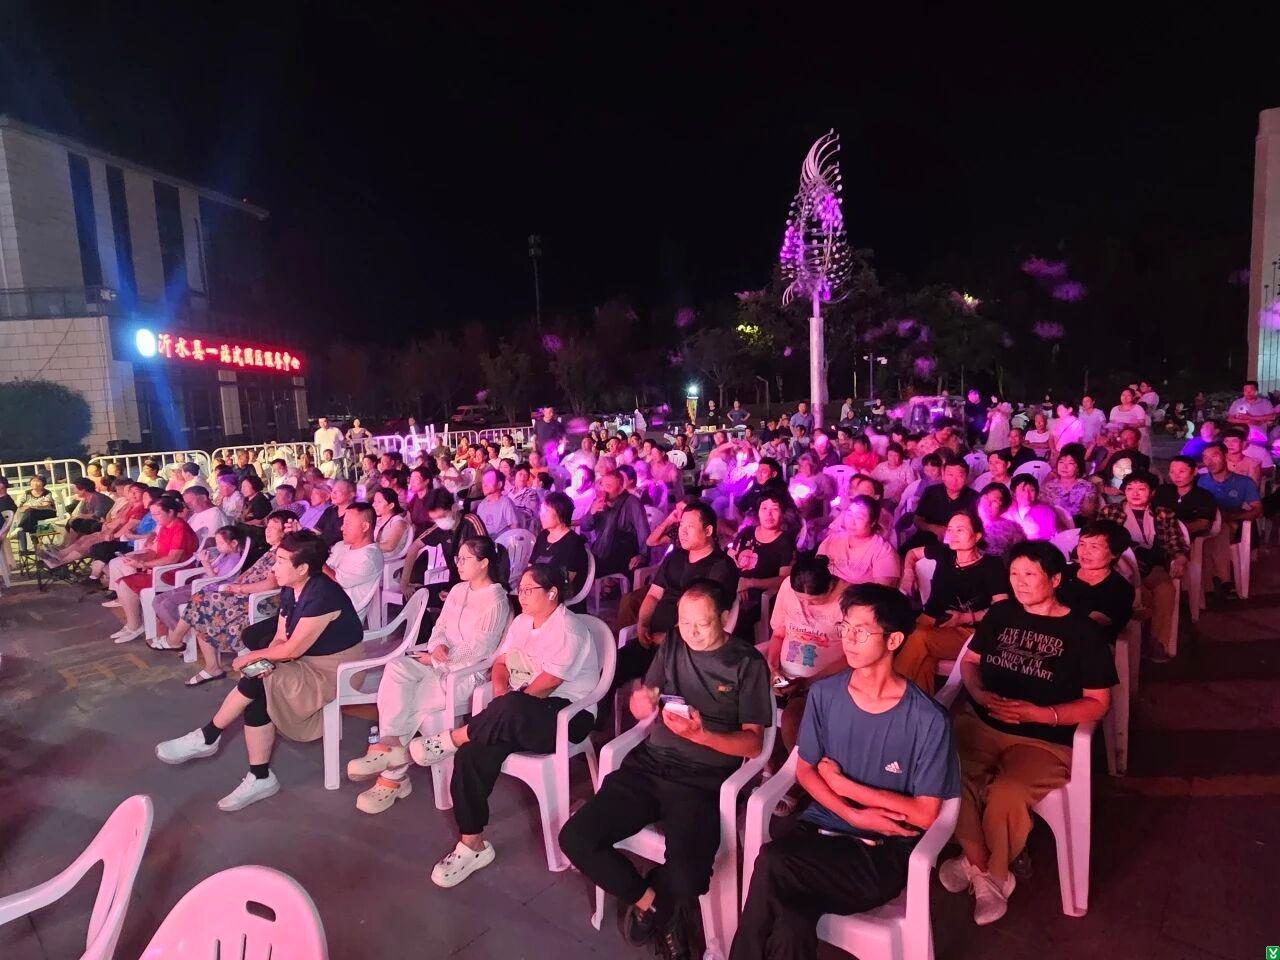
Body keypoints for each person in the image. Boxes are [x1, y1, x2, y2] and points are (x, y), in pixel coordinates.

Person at [731, 583, 959, 960]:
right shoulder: (825, 695)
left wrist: (846, 787)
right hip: (817, 834)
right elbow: (806, 771)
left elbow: (924, 814)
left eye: (861, 631)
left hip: (878, 855)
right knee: (791, 922)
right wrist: (852, 812)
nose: (848, 640)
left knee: (772, 862)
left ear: (893, 640)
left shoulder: (927, 720)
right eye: (845, 627)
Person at [562, 580, 770, 958]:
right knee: (576, 837)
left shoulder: (747, 663)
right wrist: (642, 703)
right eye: (684, 622)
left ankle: (662, 903)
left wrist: (703, 735)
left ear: (725, 618)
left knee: (691, 877)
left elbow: (754, 744)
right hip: (649, 766)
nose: (691, 633)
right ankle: (655, 906)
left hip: (701, 780)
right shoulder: (674, 641)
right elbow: (650, 696)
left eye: (702, 624)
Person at [941, 541, 1115, 925]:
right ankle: (985, 868)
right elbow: (970, 662)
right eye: (1014, 574)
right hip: (984, 723)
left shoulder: (1083, 632)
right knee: (948, 773)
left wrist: (1043, 714)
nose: (1019, 582)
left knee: (1007, 792)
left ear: (1055, 580)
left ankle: (985, 871)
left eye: (1030, 574)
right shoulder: (1001, 614)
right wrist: (978, 693)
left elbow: (1098, 703)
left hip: (1044, 739)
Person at [407, 564, 601, 887]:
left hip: (566, 715)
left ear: (552, 593)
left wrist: (508, 705)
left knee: (505, 712)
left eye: (529, 590)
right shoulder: (522, 623)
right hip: (518, 710)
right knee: (471, 755)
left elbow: (548, 684)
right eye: (520, 589)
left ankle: (453, 737)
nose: (521, 596)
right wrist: (500, 694)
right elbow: (500, 663)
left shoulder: (570, 630)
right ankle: (472, 844)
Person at [155, 530, 366, 811]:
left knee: (257, 676)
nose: (273, 567)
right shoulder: (291, 588)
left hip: (334, 670)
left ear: (302, 568)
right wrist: (264, 660)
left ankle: (211, 738)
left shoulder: (323, 595)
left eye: (280, 561)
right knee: (259, 679)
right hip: (305, 660)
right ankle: (254, 772)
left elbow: (292, 650)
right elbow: (281, 637)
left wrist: (255, 657)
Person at [346, 536, 513, 813]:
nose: (458, 564)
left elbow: (478, 650)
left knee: (412, 698)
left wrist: (437, 661)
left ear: (484, 563)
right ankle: (389, 745)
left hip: (465, 675)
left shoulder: (496, 600)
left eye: (465, 559)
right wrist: (437, 646)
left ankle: (392, 776)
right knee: (397, 667)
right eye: (458, 558)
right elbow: (440, 627)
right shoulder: (458, 590)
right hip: (440, 663)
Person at [616, 502, 740, 695]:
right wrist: (642, 624)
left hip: (687, 648)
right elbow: (654, 594)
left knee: (653, 689)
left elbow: (707, 617)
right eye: (681, 525)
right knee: (610, 670)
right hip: (652, 639)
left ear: (708, 531)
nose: (682, 532)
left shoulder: (721, 566)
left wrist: (668, 638)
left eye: (690, 526)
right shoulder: (675, 557)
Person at [895, 509, 1010, 693]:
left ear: (977, 535)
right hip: (931, 621)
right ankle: (918, 706)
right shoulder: (944, 552)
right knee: (922, 656)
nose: (953, 534)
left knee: (919, 637)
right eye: (950, 529)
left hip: (968, 632)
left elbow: (1002, 607)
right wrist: (908, 574)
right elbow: (912, 553)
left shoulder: (991, 565)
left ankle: (889, 692)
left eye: (960, 530)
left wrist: (967, 617)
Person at [763, 555, 849, 780]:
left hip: (824, 681)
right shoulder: (787, 587)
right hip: (786, 675)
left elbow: (851, 657)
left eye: (814, 601)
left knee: (794, 719)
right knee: (748, 699)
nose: (806, 606)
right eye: (800, 599)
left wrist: (808, 682)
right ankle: (770, 764)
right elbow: (778, 634)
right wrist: (772, 667)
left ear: (829, 587)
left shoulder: (849, 600)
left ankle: (802, 779)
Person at [1099, 471, 1188, 660]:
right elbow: (1102, 541)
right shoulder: (1111, 512)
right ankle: (1135, 641)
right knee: (1142, 597)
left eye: (1141, 489)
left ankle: (1157, 643)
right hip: (1121, 567)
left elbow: (1175, 542)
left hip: (1153, 565)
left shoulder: (1163, 514)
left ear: (1152, 492)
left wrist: (1180, 558)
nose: (1135, 493)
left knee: (1166, 591)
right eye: (1130, 488)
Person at [106, 496, 199, 644]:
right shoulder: (165, 527)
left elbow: (172, 559)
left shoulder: (180, 529)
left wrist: (144, 564)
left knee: (125, 584)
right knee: (124, 572)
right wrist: (138, 559)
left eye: (157, 514)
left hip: (173, 573)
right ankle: (134, 622)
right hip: (161, 569)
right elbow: (155, 552)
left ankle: (135, 625)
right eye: (153, 514)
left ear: (170, 512)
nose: (154, 518)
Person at [150, 525, 248, 642]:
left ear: (234, 543)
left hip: (208, 591)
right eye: (217, 543)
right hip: (201, 586)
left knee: (166, 604)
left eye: (221, 543)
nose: (218, 547)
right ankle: (181, 635)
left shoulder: (233, 560)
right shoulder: (224, 555)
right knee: (157, 600)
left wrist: (206, 563)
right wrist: (209, 562)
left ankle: (178, 638)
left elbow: (215, 580)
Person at [1198, 442, 1262, 600]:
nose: (1209, 461)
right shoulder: (1200, 481)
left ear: (1226, 456)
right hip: (1206, 525)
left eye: (1214, 456)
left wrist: (1233, 516)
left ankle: (1210, 584)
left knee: (1221, 530)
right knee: (1212, 533)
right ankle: (1222, 581)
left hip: (1231, 525)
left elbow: (1258, 510)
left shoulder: (1243, 482)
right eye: (1205, 458)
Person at [1055, 519, 1135, 645]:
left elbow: (1092, 626)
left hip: (1085, 647)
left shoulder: (1120, 589)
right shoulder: (1063, 572)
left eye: (1094, 546)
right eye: (1082, 544)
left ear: (1114, 553)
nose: (1085, 552)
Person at [729, 492, 798, 629]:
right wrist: (737, 585)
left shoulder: (785, 542)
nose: (768, 514)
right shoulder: (746, 533)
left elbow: (784, 580)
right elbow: (728, 562)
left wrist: (749, 583)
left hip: (759, 596)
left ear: (782, 513)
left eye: (774, 509)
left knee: (736, 617)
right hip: (734, 587)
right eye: (764, 508)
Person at [581, 470, 651, 578]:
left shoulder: (632, 502)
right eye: (602, 485)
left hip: (622, 552)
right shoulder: (598, 501)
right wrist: (592, 512)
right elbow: (585, 527)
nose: (603, 490)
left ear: (620, 489)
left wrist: (642, 555)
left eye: (608, 486)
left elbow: (643, 531)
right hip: (599, 550)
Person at [816, 495, 899, 586]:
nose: (851, 522)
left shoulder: (883, 551)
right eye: (849, 514)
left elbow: (882, 591)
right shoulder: (832, 540)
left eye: (859, 518)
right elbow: (816, 572)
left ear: (873, 522)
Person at [903, 456, 979, 552]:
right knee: (903, 553)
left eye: (959, 476)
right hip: (927, 538)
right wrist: (934, 528)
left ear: (966, 477)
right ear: (943, 475)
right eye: (950, 475)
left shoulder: (975, 498)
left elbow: (976, 528)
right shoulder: (931, 492)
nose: (954, 480)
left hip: (958, 544)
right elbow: (917, 520)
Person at [326, 502, 385, 621]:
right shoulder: (341, 546)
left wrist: (314, 558)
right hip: (324, 604)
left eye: (348, 523)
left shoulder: (369, 557)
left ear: (365, 527)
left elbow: (337, 580)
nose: (342, 528)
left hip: (341, 616)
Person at [531, 492, 590, 608]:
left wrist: (539, 589)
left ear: (560, 514)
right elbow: (531, 565)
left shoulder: (573, 542)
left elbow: (567, 580)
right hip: (540, 588)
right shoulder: (543, 536)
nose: (541, 515)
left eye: (546, 511)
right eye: (541, 510)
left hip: (560, 594)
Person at [1153, 455, 1218, 539]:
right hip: (1157, 536)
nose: (1176, 476)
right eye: (1172, 472)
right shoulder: (1162, 491)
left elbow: (1204, 523)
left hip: (1187, 539)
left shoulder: (1204, 496)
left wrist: (1176, 529)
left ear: (1194, 471)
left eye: (1181, 471)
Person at [1039, 445, 1098, 522]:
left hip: (1079, 524)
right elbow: (1042, 511)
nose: (1064, 466)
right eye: (1061, 462)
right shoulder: (1048, 486)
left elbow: (1087, 513)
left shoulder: (1088, 486)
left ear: (1078, 468)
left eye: (1070, 463)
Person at [1003, 474, 1058, 540]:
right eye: (1023, 490)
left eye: (1032, 490)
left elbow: (1050, 536)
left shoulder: (1046, 512)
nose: (1027, 494)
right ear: (1014, 493)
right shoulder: (1007, 513)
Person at [11, 475, 57, 553]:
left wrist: (30, 506)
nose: (35, 483)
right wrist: (21, 506)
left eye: (38, 481)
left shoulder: (47, 493)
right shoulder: (27, 493)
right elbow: (19, 504)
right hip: (32, 516)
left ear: (43, 483)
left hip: (47, 513)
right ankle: (35, 546)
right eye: (33, 481)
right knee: (30, 516)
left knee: (30, 511)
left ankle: (20, 528)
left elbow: (45, 505)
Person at [1227, 379, 1276, 444]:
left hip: (1259, 436)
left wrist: (1250, 417)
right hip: (1240, 437)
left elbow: (1271, 417)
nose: (1248, 393)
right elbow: (1230, 419)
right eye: (1245, 390)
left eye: (1251, 390)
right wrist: (1246, 421)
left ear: (1256, 391)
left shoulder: (1265, 403)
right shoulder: (1237, 402)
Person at [1108, 388, 1151, 456]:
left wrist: (1128, 425)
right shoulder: (1114, 409)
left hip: (1131, 439)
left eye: (1128, 395)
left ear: (1133, 397)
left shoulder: (1138, 408)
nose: (1125, 397)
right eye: (1123, 395)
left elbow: (1142, 423)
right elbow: (1111, 424)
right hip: (1117, 437)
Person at [371, 487, 411, 556]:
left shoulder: (398, 522)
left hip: (386, 558)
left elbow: (389, 546)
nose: (374, 505)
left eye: (379, 502)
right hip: (374, 554)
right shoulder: (378, 520)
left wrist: (366, 546)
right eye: (374, 501)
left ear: (391, 505)